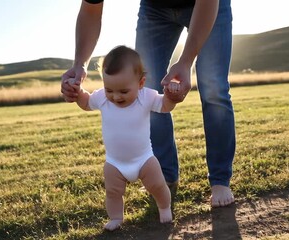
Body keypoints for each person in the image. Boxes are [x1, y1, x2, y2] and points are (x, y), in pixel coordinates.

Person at [61, 0, 236, 207]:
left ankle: (220, 180)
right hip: (154, 9)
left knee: (213, 88)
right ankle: (164, 175)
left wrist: (186, 61)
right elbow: (91, 11)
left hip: (208, 4)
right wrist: (79, 64)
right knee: (145, 87)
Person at [68, 45, 181, 230]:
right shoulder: (102, 98)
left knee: (158, 186)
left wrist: (172, 96)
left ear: (141, 83)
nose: (115, 96)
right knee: (112, 192)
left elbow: (165, 106)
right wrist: (77, 93)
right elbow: (87, 103)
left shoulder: (145, 97)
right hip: (114, 162)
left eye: (123, 91)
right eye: (109, 89)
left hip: (144, 158)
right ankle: (116, 218)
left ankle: (164, 207)